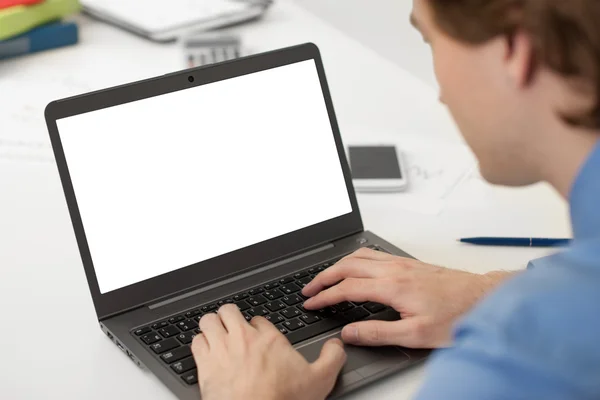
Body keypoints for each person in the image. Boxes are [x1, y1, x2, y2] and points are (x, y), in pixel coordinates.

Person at [190, 0, 600, 398]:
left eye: (430, 42)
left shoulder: (511, 365)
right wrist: (488, 290)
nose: (441, 94)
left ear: (513, 49)